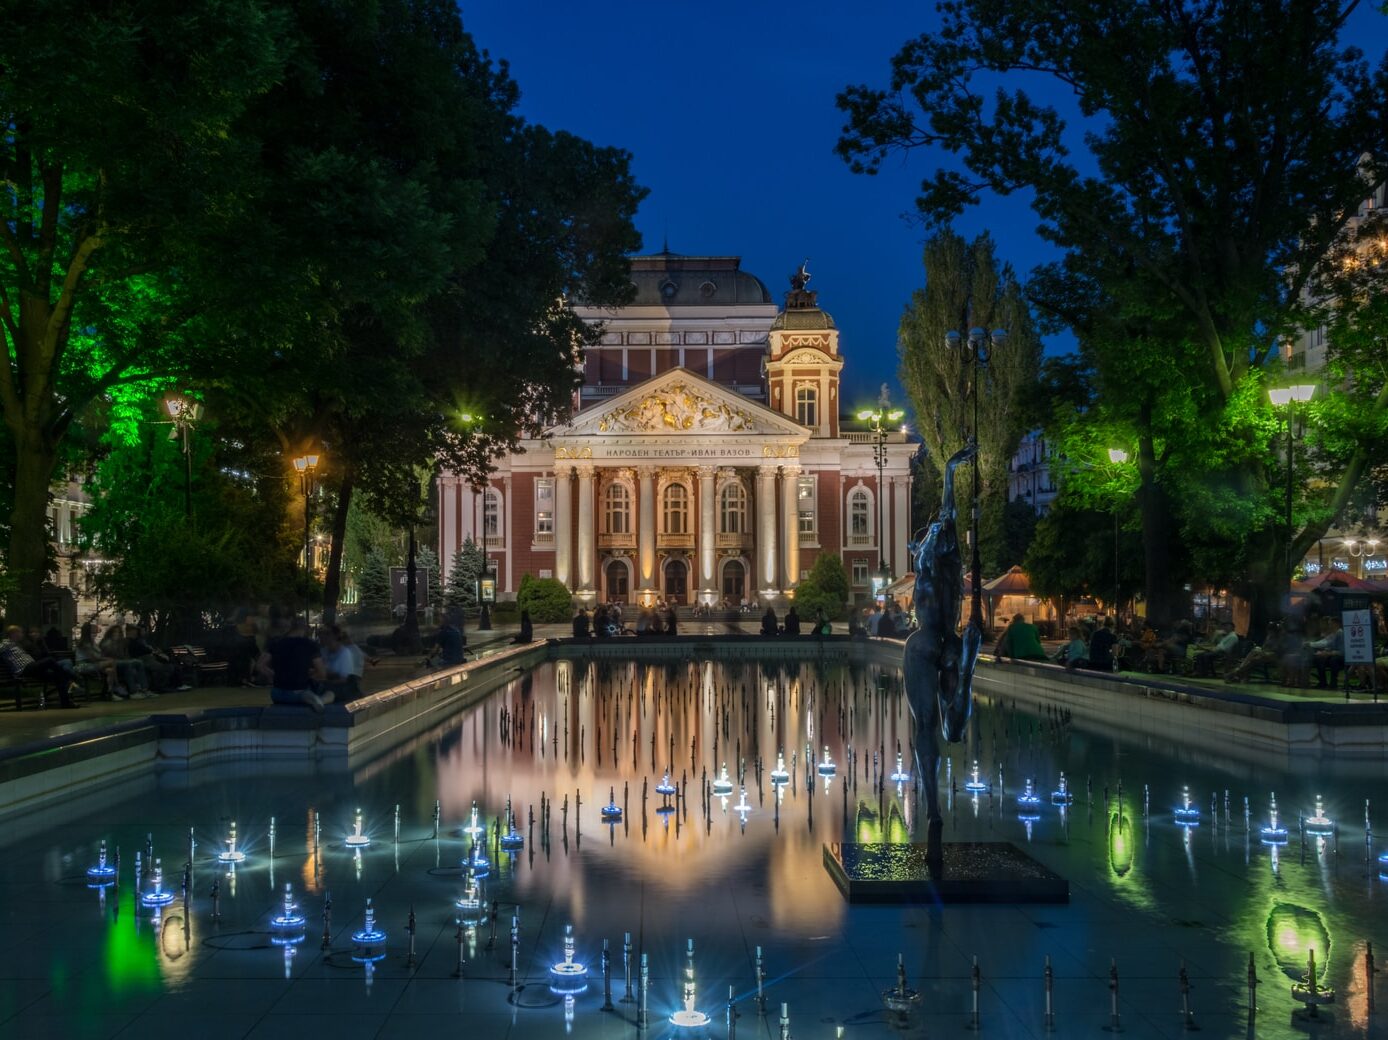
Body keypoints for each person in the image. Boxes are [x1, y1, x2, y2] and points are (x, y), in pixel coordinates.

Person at [0, 624, 79, 707]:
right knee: (50, 660)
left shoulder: (17, 644)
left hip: (32, 669)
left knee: (58, 677)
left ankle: (65, 703)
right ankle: (71, 677)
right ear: (13, 633)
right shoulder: (6, 643)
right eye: (20, 633)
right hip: (24, 669)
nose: (22, 635)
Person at [258, 619, 327, 711]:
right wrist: (307, 675)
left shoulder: (275, 643)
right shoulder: (310, 645)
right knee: (322, 690)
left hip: (276, 693)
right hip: (297, 692)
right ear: (305, 628)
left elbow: (260, 665)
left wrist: (274, 675)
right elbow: (322, 673)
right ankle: (314, 700)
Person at [127, 624, 192, 691]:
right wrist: (152, 651)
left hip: (149, 658)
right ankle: (163, 687)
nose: (135, 633)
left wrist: (155, 651)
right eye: (134, 631)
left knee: (170, 664)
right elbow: (144, 650)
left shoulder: (141, 641)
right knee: (165, 667)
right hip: (145, 659)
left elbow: (149, 649)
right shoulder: (133, 642)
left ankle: (175, 685)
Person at [74, 622, 125, 699]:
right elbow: (94, 658)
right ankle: (117, 685)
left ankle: (110, 693)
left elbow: (99, 654)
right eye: (93, 633)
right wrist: (107, 659)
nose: (95, 634)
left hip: (93, 664)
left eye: (95, 632)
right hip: (84, 666)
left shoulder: (92, 642)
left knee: (110, 670)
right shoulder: (84, 643)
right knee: (112, 661)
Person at [100, 624, 151, 697]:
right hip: (112, 662)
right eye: (114, 632)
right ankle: (133, 691)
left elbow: (125, 655)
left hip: (122, 661)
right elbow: (106, 655)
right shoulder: (106, 642)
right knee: (129, 665)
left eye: (119, 632)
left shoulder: (122, 642)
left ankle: (145, 689)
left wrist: (128, 658)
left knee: (138, 663)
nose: (117, 634)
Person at [319, 624, 363, 702]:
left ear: (335, 636)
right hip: (325, 683)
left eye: (327, 633)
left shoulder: (344, 652)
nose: (323, 636)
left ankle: (322, 700)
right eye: (322, 633)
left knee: (331, 691)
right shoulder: (323, 651)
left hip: (339, 687)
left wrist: (325, 678)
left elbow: (344, 679)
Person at [1308, 618, 1345, 689]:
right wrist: (1311, 644)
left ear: (1336, 624)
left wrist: (1328, 653)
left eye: (1330, 624)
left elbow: (1342, 652)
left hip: (1340, 657)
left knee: (1333, 660)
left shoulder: (1340, 633)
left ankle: (1333, 684)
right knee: (1318, 659)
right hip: (1332, 655)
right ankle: (1322, 682)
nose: (1329, 626)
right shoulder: (1333, 634)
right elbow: (1325, 642)